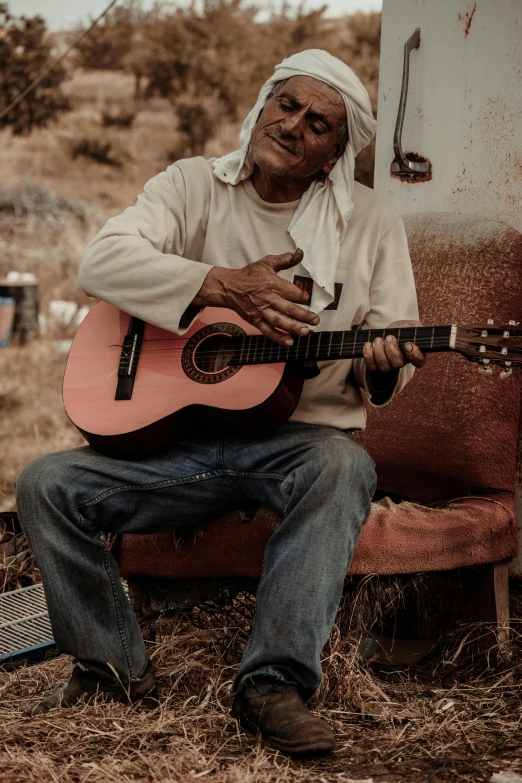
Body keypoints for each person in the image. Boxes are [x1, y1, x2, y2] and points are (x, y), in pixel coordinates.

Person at [15, 49, 426, 755]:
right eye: (286, 105)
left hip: (296, 443)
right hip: (173, 447)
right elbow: (99, 260)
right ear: (262, 106)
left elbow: (384, 356)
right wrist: (220, 286)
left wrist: (385, 369)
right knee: (44, 482)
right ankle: (110, 665)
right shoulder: (191, 186)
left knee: (343, 468)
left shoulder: (371, 223)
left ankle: (272, 684)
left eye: (319, 123)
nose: (295, 126)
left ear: (334, 154)